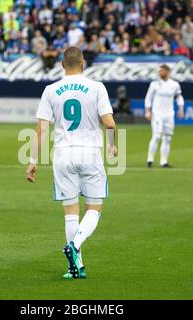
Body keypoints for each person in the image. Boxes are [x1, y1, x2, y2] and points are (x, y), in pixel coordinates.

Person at [26, 47, 117, 279]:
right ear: (83, 63)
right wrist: (112, 145)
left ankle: (74, 266)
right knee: (94, 209)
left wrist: (33, 160)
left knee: (70, 212)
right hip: (90, 153)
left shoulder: (51, 90)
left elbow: (41, 128)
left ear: (62, 64)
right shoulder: (97, 87)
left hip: (63, 154)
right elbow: (109, 124)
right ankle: (75, 245)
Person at [145, 65, 184, 168]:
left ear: (167, 72)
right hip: (157, 114)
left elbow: (179, 97)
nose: (159, 73)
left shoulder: (175, 85)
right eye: (159, 71)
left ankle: (163, 161)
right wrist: (147, 111)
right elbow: (148, 98)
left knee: (167, 138)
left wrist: (181, 109)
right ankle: (150, 160)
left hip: (169, 115)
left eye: (161, 71)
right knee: (157, 136)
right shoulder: (154, 84)